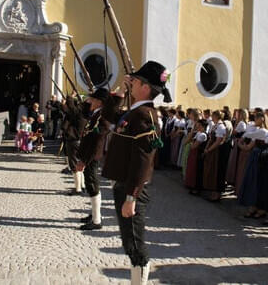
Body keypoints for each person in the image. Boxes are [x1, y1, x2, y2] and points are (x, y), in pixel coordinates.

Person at [101, 61, 172, 284]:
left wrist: (131, 196)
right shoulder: (135, 111)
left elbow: (143, 161)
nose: (131, 83)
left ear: (145, 86)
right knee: (128, 242)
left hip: (131, 189)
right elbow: (110, 116)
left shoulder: (145, 115)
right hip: (123, 184)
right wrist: (120, 91)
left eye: (135, 81)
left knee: (135, 244)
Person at [76, 88, 111, 231]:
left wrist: (84, 160)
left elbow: (96, 142)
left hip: (92, 156)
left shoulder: (102, 117)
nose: (91, 101)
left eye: (94, 99)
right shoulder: (96, 114)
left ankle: (97, 220)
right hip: (90, 154)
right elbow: (83, 112)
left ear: (100, 102)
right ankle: (94, 214)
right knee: (91, 185)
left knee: (92, 185)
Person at [238, 112, 268, 218]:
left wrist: (241, 142)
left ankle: (261, 208)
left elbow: (248, 135)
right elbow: (249, 144)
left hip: (261, 158)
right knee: (253, 181)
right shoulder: (258, 130)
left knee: (259, 181)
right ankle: (254, 206)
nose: (255, 120)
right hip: (255, 157)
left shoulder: (263, 131)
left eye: (256, 118)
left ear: (262, 119)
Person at [62, 92, 88, 195]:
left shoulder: (79, 114)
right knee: (80, 164)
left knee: (74, 165)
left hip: (74, 141)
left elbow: (71, 109)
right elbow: (68, 110)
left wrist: (70, 97)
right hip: (81, 141)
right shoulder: (85, 114)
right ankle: (82, 186)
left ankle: (78, 189)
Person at [202, 111, 227, 201]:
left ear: (216, 116)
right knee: (211, 170)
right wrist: (207, 148)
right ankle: (213, 191)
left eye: (213, 115)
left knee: (217, 171)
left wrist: (209, 149)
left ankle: (217, 194)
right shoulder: (215, 125)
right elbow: (211, 139)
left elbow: (218, 141)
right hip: (212, 150)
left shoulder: (221, 127)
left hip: (217, 151)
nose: (211, 117)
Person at [185, 119, 208, 194]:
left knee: (197, 171)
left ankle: (196, 188)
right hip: (194, 154)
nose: (197, 127)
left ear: (203, 126)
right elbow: (188, 140)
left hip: (198, 154)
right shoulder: (198, 133)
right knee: (192, 168)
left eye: (199, 125)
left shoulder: (203, 135)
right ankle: (191, 184)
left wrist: (191, 143)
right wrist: (192, 131)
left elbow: (193, 146)